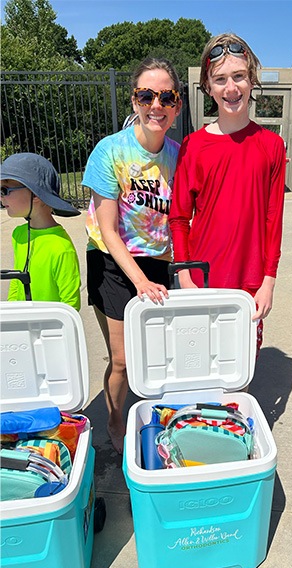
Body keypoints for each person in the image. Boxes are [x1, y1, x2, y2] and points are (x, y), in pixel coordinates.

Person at [81, 57, 182, 454]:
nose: (156, 105)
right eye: (146, 95)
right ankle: (115, 419)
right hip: (112, 261)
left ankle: (152, 416)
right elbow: (107, 228)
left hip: (158, 260)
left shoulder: (179, 154)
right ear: (134, 99)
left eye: (166, 97)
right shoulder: (110, 151)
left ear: (177, 105)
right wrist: (139, 281)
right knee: (122, 360)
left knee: (156, 355)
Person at [169, 33, 286, 357]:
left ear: (251, 80)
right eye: (220, 79)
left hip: (250, 281)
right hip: (201, 277)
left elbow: (273, 218)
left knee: (241, 362)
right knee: (199, 361)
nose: (231, 88)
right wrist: (185, 274)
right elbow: (178, 217)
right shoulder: (193, 146)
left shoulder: (271, 145)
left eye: (239, 77)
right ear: (208, 86)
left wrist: (268, 280)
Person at [1, 152, 81, 309]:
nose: (0, 197)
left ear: (35, 194)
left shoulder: (61, 248)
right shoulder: (19, 234)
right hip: (22, 325)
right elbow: (17, 283)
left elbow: (71, 305)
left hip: (50, 330)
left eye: (5, 190)